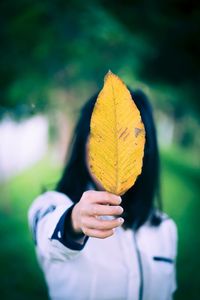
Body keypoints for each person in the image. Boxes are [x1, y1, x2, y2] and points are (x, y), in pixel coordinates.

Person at [28, 89, 178, 300]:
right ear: (83, 142)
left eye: (131, 134)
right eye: (101, 133)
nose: (115, 145)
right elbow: (50, 236)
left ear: (147, 148)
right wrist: (75, 221)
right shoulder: (50, 205)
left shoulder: (165, 228)